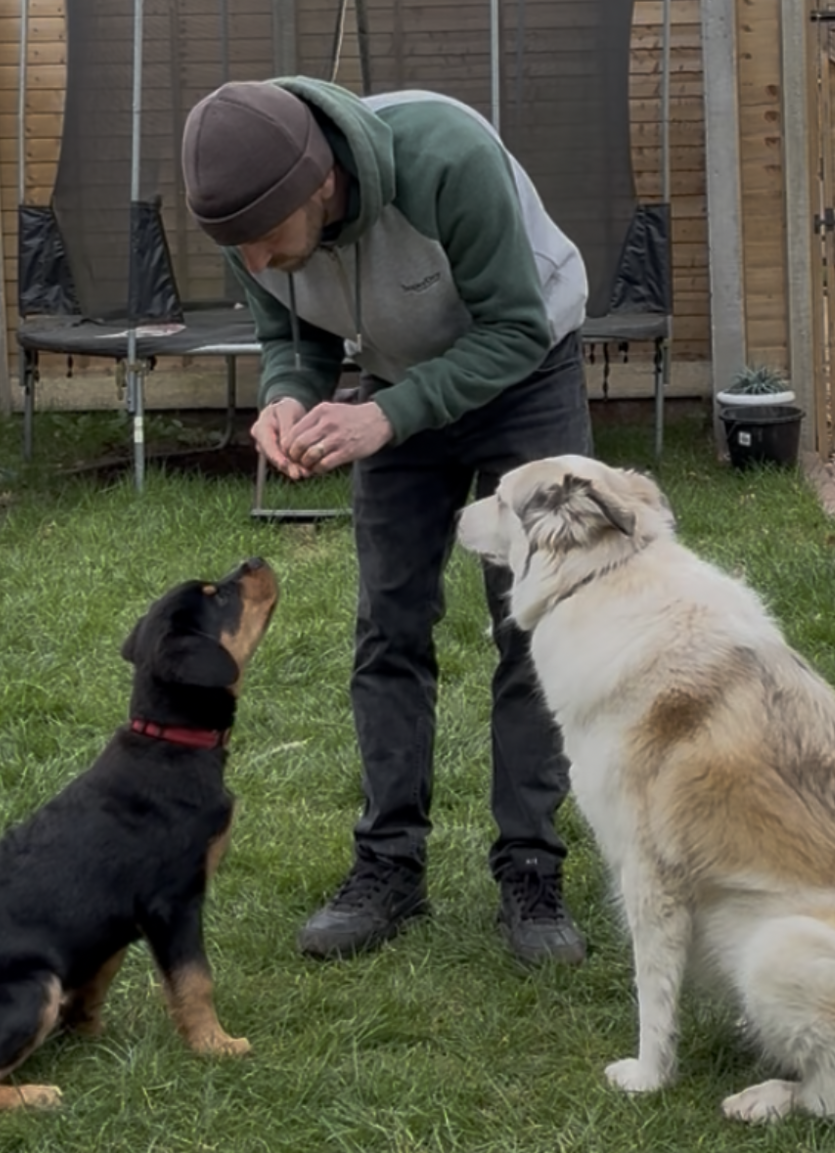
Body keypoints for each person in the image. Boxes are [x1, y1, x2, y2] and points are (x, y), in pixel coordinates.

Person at [179, 77, 593, 965]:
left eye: (261, 242)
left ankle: (531, 868)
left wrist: (388, 414)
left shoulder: (447, 157)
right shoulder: (248, 216)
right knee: (388, 628)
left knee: (533, 625)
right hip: (400, 388)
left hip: (526, 368)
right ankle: (388, 866)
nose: (252, 262)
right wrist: (287, 399)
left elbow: (516, 327)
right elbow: (295, 339)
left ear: (320, 184)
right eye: (235, 248)